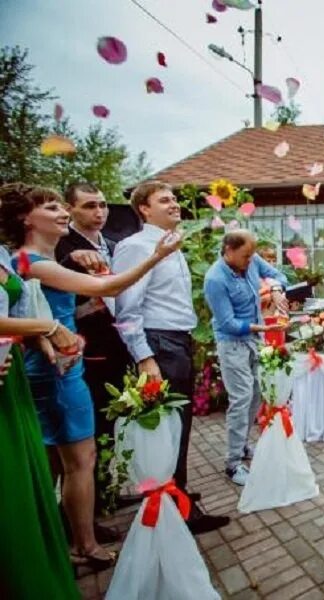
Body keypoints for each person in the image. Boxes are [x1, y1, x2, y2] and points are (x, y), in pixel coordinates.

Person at [0, 183, 182, 571]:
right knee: (79, 460)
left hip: (52, 365)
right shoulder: (33, 261)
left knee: (55, 461)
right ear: (25, 219)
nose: (63, 213)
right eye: (52, 208)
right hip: (59, 373)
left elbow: (62, 310)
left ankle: (62, 535)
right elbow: (110, 285)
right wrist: (157, 255)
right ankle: (85, 544)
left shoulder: (31, 262)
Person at [112, 180, 230, 534]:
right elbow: (127, 309)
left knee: (180, 427)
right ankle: (174, 512)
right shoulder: (136, 248)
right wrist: (145, 357)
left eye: (175, 198)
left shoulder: (172, 246)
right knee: (166, 430)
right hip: (158, 344)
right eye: (165, 200)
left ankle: (176, 496)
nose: (175, 204)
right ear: (144, 209)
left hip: (178, 341)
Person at [0, 245, 80, 598]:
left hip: (10, 371)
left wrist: (37, 338)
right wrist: (49, 325)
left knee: (25, 481)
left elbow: (14, 309)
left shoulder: (3, 254)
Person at [55, 182, 133, 528]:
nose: (99, 212)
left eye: (102, 205)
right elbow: (59, 306)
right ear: (71, 210)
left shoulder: (114, 246)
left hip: (120, 347)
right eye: (89, 206)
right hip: (88, 352)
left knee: (112, 427)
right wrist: (94, 305)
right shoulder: (64, 249)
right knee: (91, 432)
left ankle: (105, 490)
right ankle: (88, 509)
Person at [203, 229, 288, 485]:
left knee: (256, 394)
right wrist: (264, 328)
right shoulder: (215, 279)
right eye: (245, 256)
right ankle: (233, 463)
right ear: (228, 251)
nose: (250, 261)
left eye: (252, 256)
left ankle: (241, 447)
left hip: (254, 339)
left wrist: (274, 288)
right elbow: (227, 323)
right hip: (233, 344)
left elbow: (278, 274)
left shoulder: (250, 260)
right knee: (240, 399)